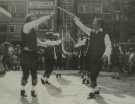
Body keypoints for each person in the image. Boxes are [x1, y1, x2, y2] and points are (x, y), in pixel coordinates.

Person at [73, 16, 112, 98]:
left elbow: (109, 46)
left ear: (99, 24)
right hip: (90, 57)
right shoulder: (91, 32)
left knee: (93, 75)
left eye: (94, 22)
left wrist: (105, 54)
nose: (92, 24)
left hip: (99, 58)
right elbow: (82, 27)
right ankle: (96, 88)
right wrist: (76, 20)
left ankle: (92, 91)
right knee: (92, 74)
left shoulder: (105, 35)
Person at [20, 13, 54, 97]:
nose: (35, 20)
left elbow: (38, 42)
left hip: (33, 55)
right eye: (33, 18)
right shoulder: (26, 26)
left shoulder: (33, 31)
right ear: (29, 19)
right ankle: (23, 90)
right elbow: (37, 22)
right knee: (26, 74)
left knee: (34, 74)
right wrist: (48, 16)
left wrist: (48, 44)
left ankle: (32, 90)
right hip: (26, 55)